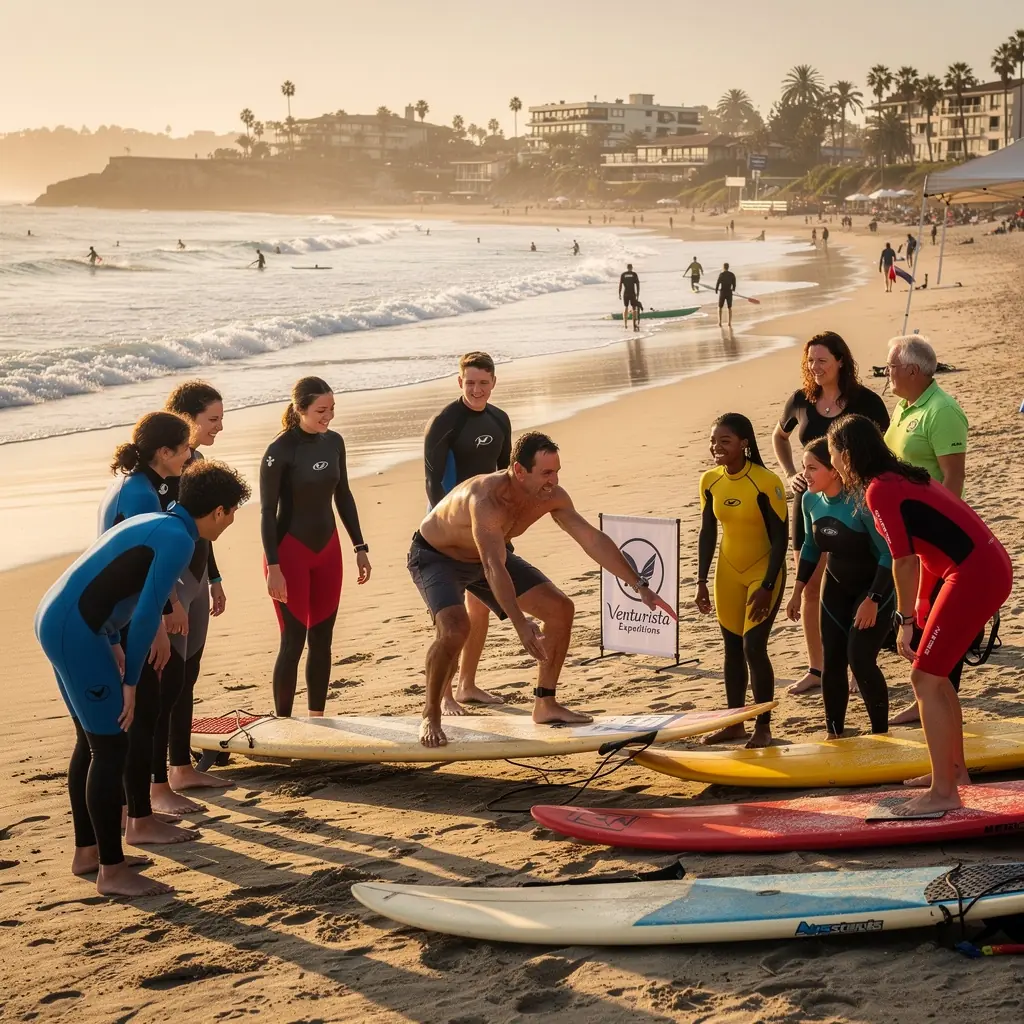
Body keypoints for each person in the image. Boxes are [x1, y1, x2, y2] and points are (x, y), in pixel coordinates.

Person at [35, 460, 249, 897]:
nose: (230, 524)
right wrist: (131, 680)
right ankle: (111, 872)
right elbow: (149, 610)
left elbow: (111, 585)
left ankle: (89, 853)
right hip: (75, 629)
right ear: (220, 512)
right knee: (111, 745)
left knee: (91, 743)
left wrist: (113, 639)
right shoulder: (176, 540)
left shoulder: (160, 523)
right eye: (232, 515)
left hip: (66, 620)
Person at [408, 432, 676, 747]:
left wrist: (639, 584)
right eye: (546, 473)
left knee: (560, 609)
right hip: (437, 558)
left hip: (488, 557)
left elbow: (590, 538)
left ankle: (545, 703)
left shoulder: (551, 496)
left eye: (557, 471)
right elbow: (493, 566)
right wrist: (520, 623)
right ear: (519, 471)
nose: (554, 480)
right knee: (455, 629)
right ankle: (430, 713)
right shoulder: (486, 499)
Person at [827, 415, 1012, 814]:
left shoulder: (880, 490)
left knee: (923, 679)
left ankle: (944, 793)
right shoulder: (901, 477)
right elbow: (927, 550)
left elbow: (904, 561)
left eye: (832, 455)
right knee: (937, 677)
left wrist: (906, 620)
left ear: (847, 454)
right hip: (979, 567)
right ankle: (954, 772)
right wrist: (925, 609)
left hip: (975, 573)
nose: (833, 463)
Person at [771, 332, 890, 695]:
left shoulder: (865, 402)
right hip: (809, 503)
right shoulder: (800, 401)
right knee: (809, 587)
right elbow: (779, 436)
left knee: (857, 585)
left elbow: (882, 447)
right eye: (810, 361)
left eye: (822, 360)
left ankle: (859, 664)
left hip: (856, 508)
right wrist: (791, 473)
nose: (815, 367)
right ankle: (817, 668)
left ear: (841, 360)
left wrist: (865, 484)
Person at [98, 412, 201, 829]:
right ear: (163, 452)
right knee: (147, 706)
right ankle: (142, 807)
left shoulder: (134, 483)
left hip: (118, 610)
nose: (189, 454)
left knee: (155, 698)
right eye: (184, 448)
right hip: (122, 614)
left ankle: (138, 804)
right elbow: (142, 569)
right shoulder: (140, 495)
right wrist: (159, 623)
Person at [261, 377, 371, 718]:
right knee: (293, 642)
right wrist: (274, 569)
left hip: (328, 550)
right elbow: (267, 512)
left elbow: (344, 496)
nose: (329, 417)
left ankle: (316, 719)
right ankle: (283, 722)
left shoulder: (334, 443)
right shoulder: (279, 452)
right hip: (289, 553)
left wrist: (360, 546)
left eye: (332, 409)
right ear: (299, 410)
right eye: (321, 410)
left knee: (322, 640)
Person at [882, 335, 969, 724]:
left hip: (936, 536)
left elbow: (953, 479)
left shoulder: (942, 411)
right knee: (918, 617)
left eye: (892, 367)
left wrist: (939, 534)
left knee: (936, 618)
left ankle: (935, 699)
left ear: (913, 371)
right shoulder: (903, 407)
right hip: (908, 534)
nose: (887, 373)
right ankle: (928, 697)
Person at [785, 439, 894, 737]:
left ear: (834, 471)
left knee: (859, 658)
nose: (804, 474)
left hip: (873, 588)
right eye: (804, 466)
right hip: (834, 588)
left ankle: (880, 734)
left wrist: (873, 599)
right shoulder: (809, 500)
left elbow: (888, 554)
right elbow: (810, 546)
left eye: (812, 467)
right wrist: (797, 590)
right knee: (832, 659)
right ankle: (835, 732)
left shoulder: (860, 501)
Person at [424, 353, 512, 712]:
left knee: (480, 609)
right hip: (449, 529)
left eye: (483, 382)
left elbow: (506, 478)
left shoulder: (499, 420)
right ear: (459, 382)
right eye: (470, 382)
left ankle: (468, 685)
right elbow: (433, 485)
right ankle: (443, 694)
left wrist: (504, 528)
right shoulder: (445, 422)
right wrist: (449, 531)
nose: (476, 389)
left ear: (493, 383)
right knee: (449, 615)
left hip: (488, 526)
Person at [695, 414, 787, 748]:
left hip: (763, 572)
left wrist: (767, 586)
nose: (716, 447)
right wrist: (701, 580)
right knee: (732, 648)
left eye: (724, 441)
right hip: (727, 573)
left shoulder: (765, 482)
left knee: (753, 646)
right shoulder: (710, 481)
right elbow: (708, 532)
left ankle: (763, 726)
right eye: (713, 441)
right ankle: (735, 723)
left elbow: (780, 538)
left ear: (744, 443)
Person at [162, 381, 230, 796]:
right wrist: (170, 597)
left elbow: (205, 529)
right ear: (187, 420)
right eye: (213, 419)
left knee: (188, 674)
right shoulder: (164, 470)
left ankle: (180, 764)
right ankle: (169, 770)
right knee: (170, 677)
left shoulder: (198, 460)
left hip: (199, 576)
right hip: (174, 583)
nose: (220, 426)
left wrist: (216, 578)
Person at [618, 263, 641, 332]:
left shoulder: (623, 274)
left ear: (627, 268)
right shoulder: (634, 274)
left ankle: (625, 324)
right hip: (632, 293)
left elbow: (620, 284)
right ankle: (634, 325)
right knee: (634, 309)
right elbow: (637, 284)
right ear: (632, 268)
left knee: (626, 307)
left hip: (625, 294)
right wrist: (638, 293)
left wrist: (619, 293)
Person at [715, 262, 737, 327]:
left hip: (723, 292)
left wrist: (716, 289)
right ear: (728, 267)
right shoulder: (732, 274)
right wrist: (733, 289)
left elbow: (718, 283)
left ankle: (719, 322)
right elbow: (734, 283)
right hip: (729, 292)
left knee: (719, 307)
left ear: (723, 267)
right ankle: (729, 323)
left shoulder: (721, 274)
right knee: (729, 308)